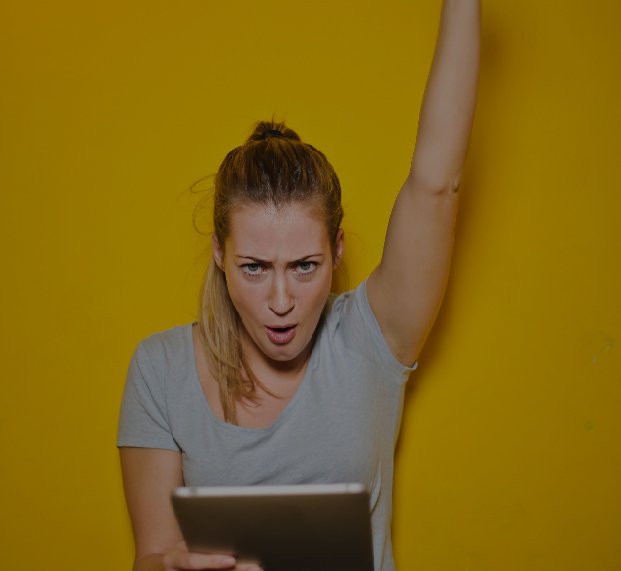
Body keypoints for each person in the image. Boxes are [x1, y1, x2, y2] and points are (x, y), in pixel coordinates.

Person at [117, 1, 480, 570]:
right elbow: (152, 555)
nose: (281, 302)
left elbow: (437, 183)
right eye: (254, 267)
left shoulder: (371, 339)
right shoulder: (160, 370)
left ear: (337, 251)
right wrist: (170, 567)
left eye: (305, 266)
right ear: (220, 254)